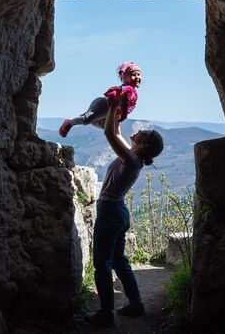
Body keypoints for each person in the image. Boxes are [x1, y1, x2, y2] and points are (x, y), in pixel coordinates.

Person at [85, 98, 164, 327]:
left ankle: (106, 312)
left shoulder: (130, 159)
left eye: (143, 133)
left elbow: (109, 134)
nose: (138, 130)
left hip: (110, 212)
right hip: (119, 212)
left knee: (102, 262)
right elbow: (116, 131)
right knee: (119, 259)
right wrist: (118, 113)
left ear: (143, 144)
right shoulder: (133, 157)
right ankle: (136, 303)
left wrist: (110, 106)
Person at [58, 61, 142, 137]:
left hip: (109, 112)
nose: (137, 77)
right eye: (133, 75)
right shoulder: (126, 88)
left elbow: (132, 105)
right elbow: (114, 92)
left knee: (107, 127)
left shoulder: (134, 94)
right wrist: (112, 100)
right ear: (125, 78)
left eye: (138, 74)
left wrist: (123, 114)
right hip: (103, 105)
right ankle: (69, 123)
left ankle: (92, 119)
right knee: (86, 119)